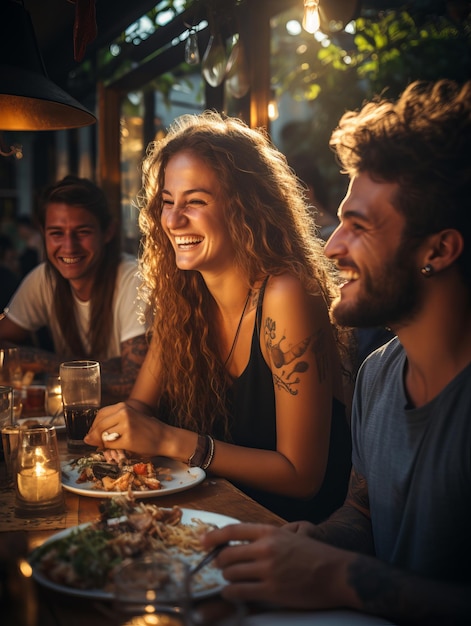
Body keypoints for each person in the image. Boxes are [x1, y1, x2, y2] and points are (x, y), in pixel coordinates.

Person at [201, 79, 471, 625]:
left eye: (360, 226)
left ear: (438, 250)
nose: (331, 246)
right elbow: (364, 511)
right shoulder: (378, 373)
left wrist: (334, 575)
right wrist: (317, 544)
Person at [85, 111, 354, 523]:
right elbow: (141, 402)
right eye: (167, 202)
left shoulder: (286, 293)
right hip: (212, 518)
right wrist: (124, 428)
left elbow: (303, 479)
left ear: (246, 208)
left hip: (291, 538)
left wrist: (170, 439)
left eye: (195, 201)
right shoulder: (184, 294)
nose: (173, 220)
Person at [0, 176, 149, 402]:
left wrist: (37, 359)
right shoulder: (44, 279)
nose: (69, 246)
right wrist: (107, 368)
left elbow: (134, 385)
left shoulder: (133, 279)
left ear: (108, 232)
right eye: (57, 233)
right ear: (44, 234)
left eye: (82, 232)